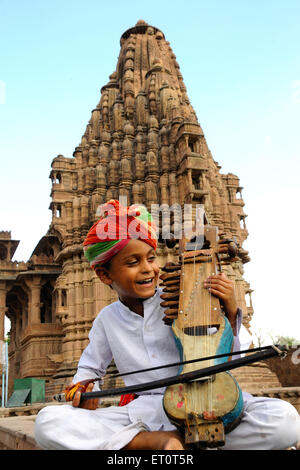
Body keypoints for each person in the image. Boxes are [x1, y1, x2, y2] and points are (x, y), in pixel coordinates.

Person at [35, 200, 300, 450]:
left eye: (151, 258)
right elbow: (89, 370)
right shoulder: (107, 319)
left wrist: (231, 311)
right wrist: (85, 390)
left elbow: (230, 355)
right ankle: (157, 442)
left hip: (207, 401)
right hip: (146, 413)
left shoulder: (183, 297)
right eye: (132, 262)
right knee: (49, 422)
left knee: (285, 420)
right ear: (105, 275)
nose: (148, 269)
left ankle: (168, 442)